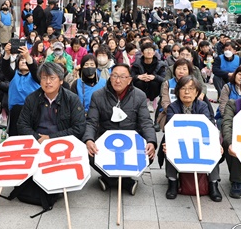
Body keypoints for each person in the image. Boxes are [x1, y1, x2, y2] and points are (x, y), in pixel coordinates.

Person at [83, 63, 157, 195]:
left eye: (122, 77)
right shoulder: (98, 95)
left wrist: (151, 141)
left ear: (129, 80)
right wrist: (89, 140)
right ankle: (124, 182)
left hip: (130, 142)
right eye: (115, 76)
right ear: (109, 78)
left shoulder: (139, 95)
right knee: (90, 154)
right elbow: (91, 122)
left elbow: (146, 121)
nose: (118, 80)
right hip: (106, 141)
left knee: (148, 155)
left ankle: (111, 180)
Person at [161, 76, 223, 201]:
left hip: (199, 142)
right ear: (178, 91)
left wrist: (216, 144)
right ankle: (172, 181)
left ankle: (213, 183)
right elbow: (171, 129)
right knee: (169, 148)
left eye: (191, 89)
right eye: (183, 89)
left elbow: (209, 127)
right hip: (179, 141)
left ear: (197, 92)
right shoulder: (173, 107)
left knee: (214, 150)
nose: (187, 92)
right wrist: (170, 143)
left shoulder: (203, 106)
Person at [17, 62, 86, 140]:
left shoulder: (72, 99)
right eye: (44, 78)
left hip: (63, 142)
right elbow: (22, 125)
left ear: (61, 81)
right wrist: (38, 138)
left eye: (52, 78)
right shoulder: (31, 99)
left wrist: (50, 138)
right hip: (37, 142)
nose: (48, 82)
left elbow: (79, 128)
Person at [2, 42, 40, 136]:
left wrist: (27, 56)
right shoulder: (13, 75)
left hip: (33, 109)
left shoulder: (36, 76)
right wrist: (7, 54)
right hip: (15, 110)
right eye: (21, 60)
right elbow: (5, 68)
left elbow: (34, 68)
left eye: (25, 60)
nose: (23, 62)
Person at [132, 42, 167, 112]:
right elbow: (131, 77)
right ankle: (141, 102)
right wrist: (138, 77)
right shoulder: (136, 64)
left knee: (154, 83)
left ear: (154, 53)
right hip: (142, 85)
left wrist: (155, 77)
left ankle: (151, 102)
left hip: (154, 88)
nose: (149, 52)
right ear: (142, 53)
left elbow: (164, 79)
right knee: (139, 83)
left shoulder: (160, 64)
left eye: (151, 50)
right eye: (146, 50)